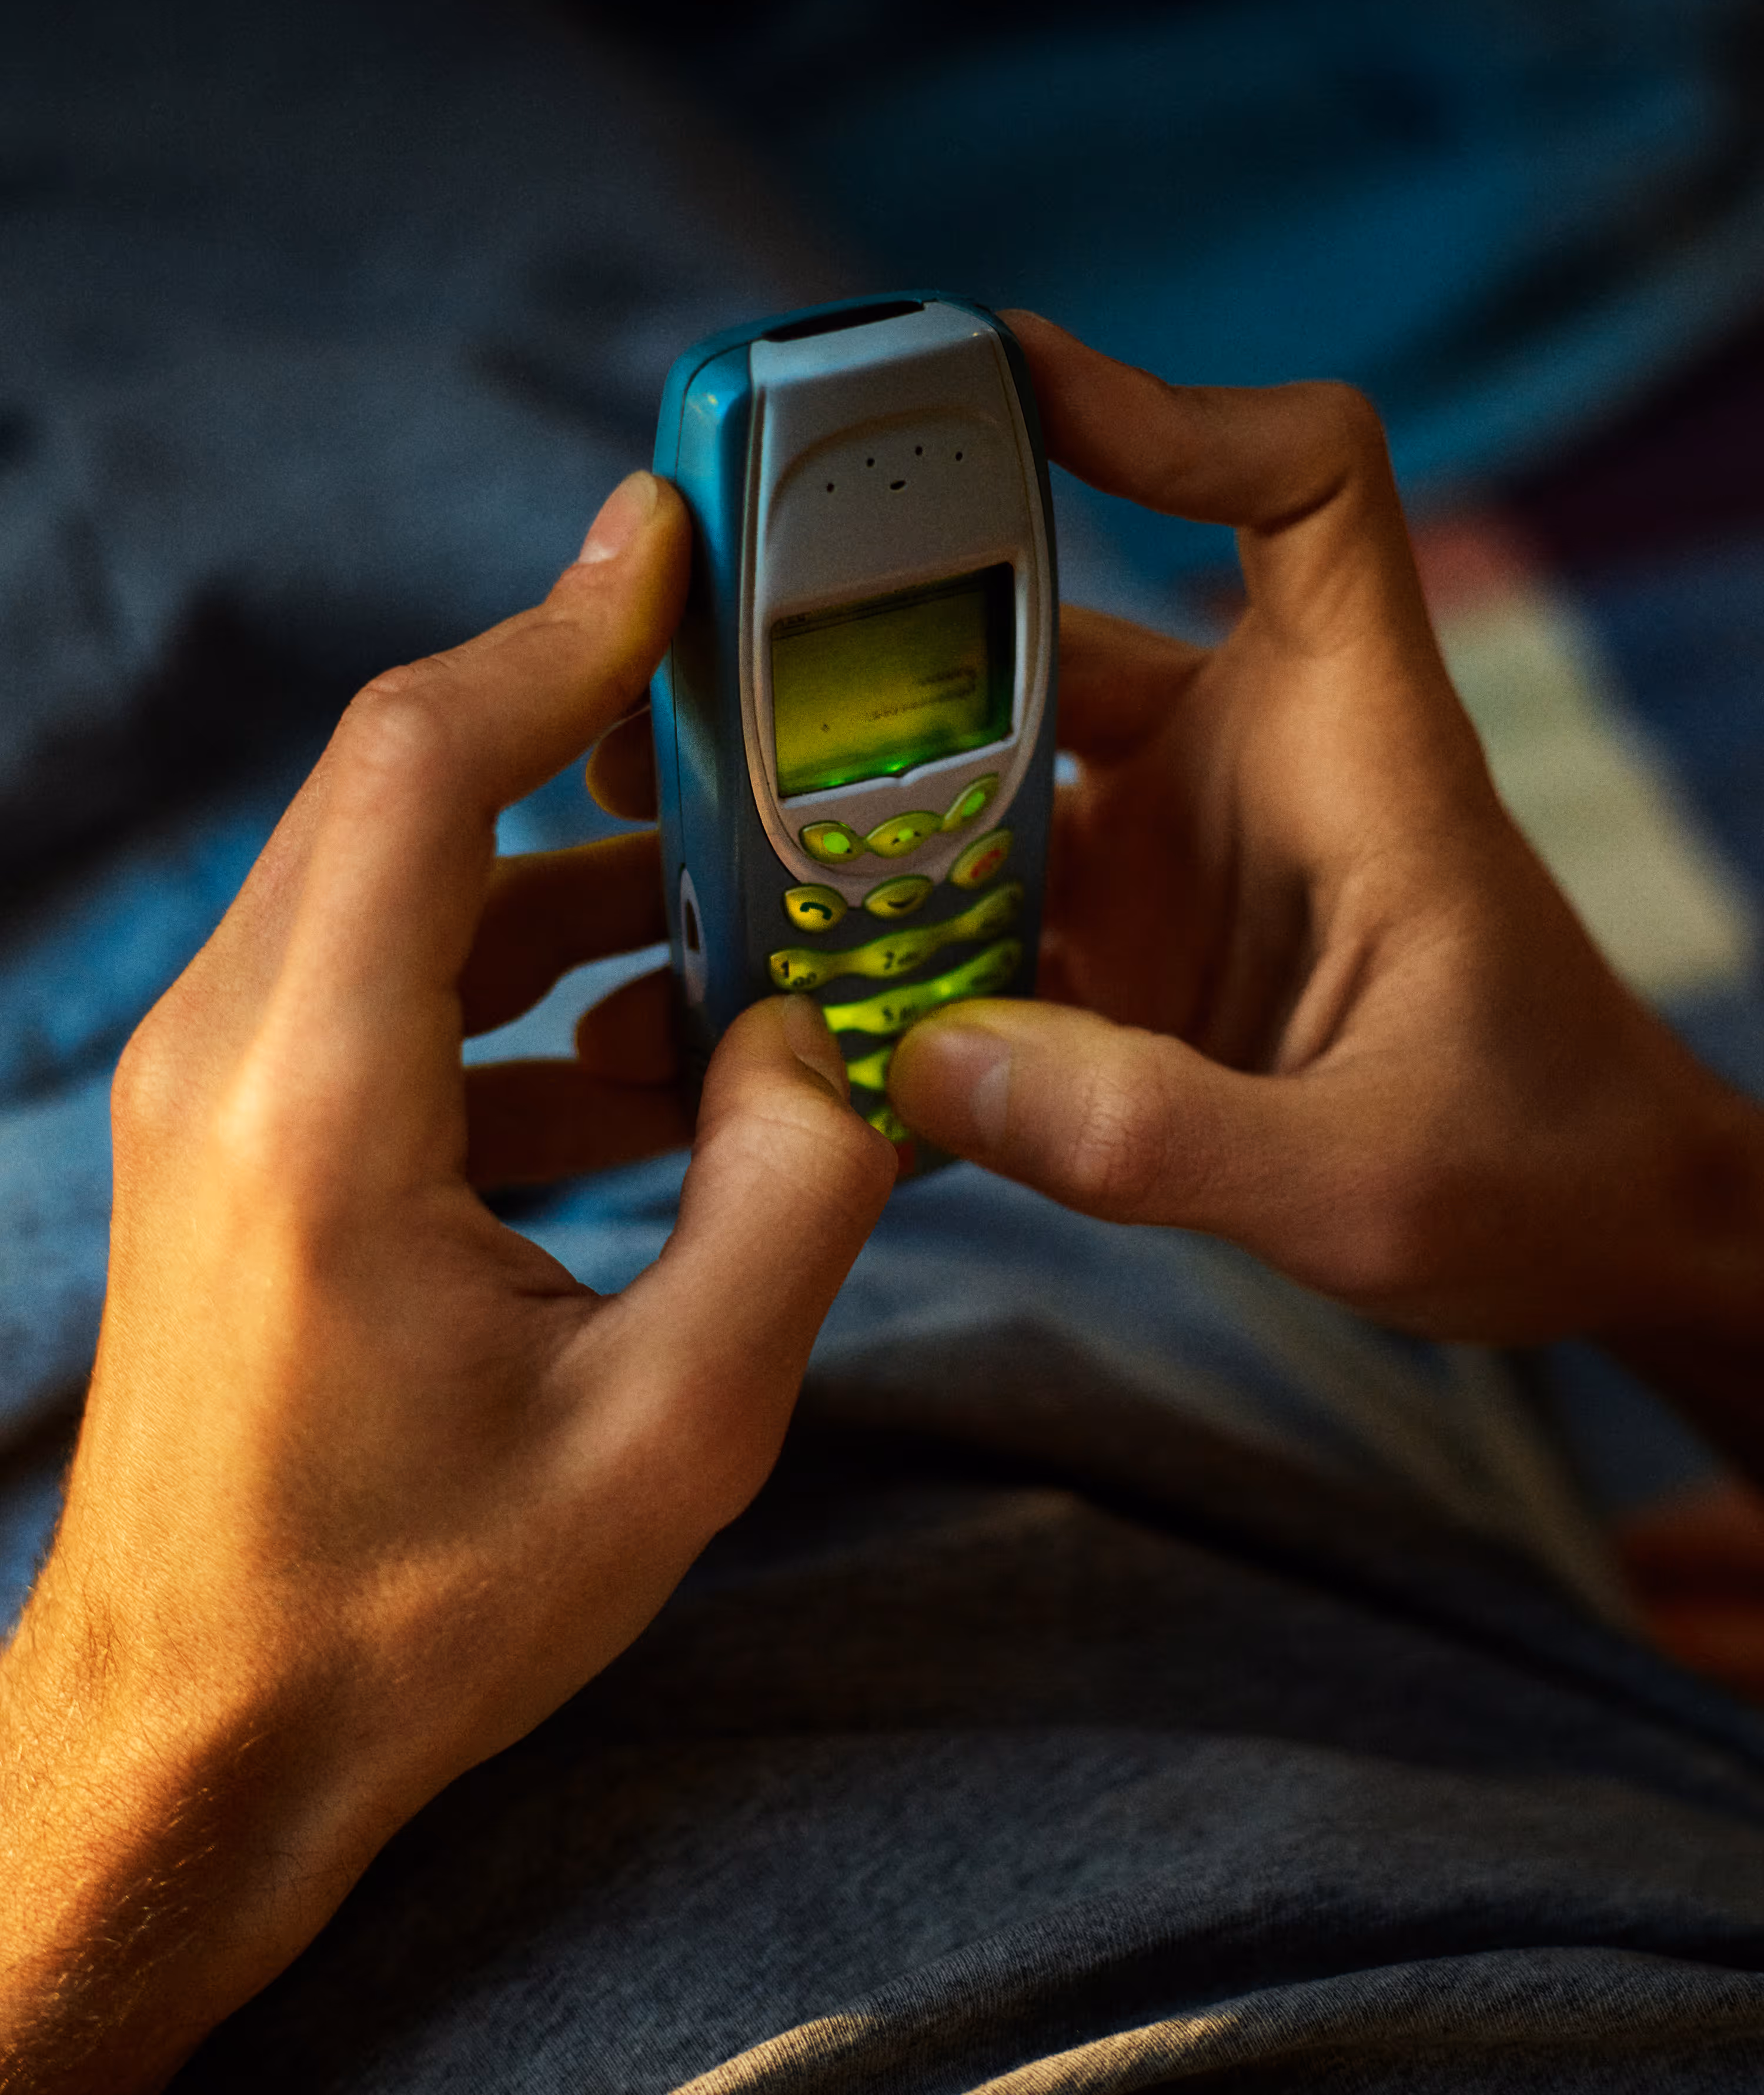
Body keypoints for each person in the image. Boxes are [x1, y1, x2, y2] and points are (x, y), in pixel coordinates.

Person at [3, 315, 1763, 2094]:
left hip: (149, 1373)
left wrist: (162, 1756)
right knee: (443, 319)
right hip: (1101, 1230)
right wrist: (1686, 1219)